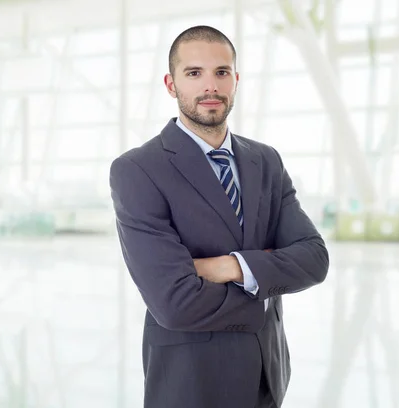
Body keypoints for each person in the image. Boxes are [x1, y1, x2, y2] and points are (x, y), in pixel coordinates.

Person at [109, 25, 329, 408]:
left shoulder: (266, 161)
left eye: (221, 72)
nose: (210, 86)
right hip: (190, 383)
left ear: (236, 80)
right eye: (194, 73)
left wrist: (231, 267)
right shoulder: (138, 170)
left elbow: (314, 258)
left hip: (268, 377)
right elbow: (174, 302)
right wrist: (264, 288)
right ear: (171, 83)